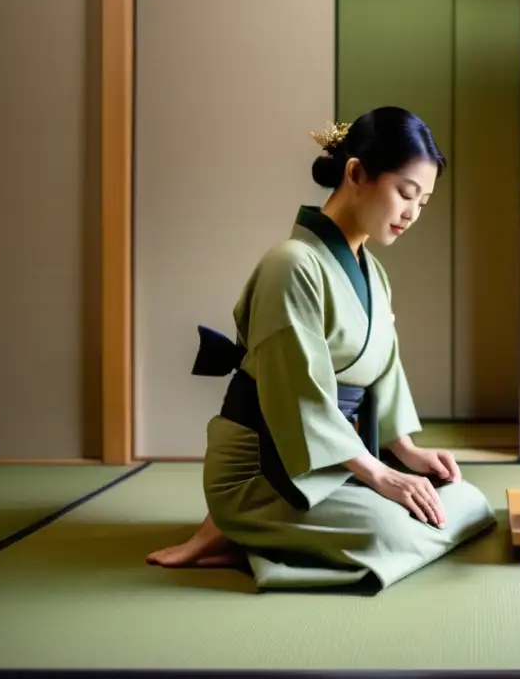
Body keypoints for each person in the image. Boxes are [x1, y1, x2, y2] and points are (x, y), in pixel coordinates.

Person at [146, 106, 497, 590]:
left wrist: (406, 452)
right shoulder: (290, 265)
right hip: (268, 467)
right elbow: (298, 398)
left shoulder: (373, 273)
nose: (413, 214)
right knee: (391, 531)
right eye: (406, 193)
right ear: (356, 173)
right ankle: (238, 528)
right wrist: (379, 475)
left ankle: (263, 534)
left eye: (424, 202)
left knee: (468, 502)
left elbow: (383, 371)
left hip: (332, 457)